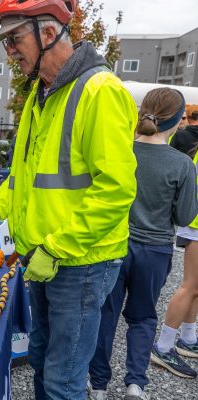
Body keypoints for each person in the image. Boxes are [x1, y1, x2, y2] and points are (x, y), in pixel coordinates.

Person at [0, 1, 138, 398]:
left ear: (48, 34)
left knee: (63, 380)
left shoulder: (101, 91)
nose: (9, 51)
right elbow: (25, 178)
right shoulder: (39, 94)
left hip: (80, 264)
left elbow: (116, 190)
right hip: (44, 257)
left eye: (14, 39)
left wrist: (56, 248)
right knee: (43, 360)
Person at [87, 88, 197, 400]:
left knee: (105, 315)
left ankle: (97, 386)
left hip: (114, 245)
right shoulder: (182, 164)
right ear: (178, 122)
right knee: (143, 317)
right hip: (155, 250)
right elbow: (186, 215)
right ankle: (135, 383)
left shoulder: (119, 152)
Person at [150, 147, 198, 380]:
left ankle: (188, 339)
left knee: (195, 288)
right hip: (196, 226)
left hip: (194, 224)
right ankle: (164, 346)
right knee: (191, 287)